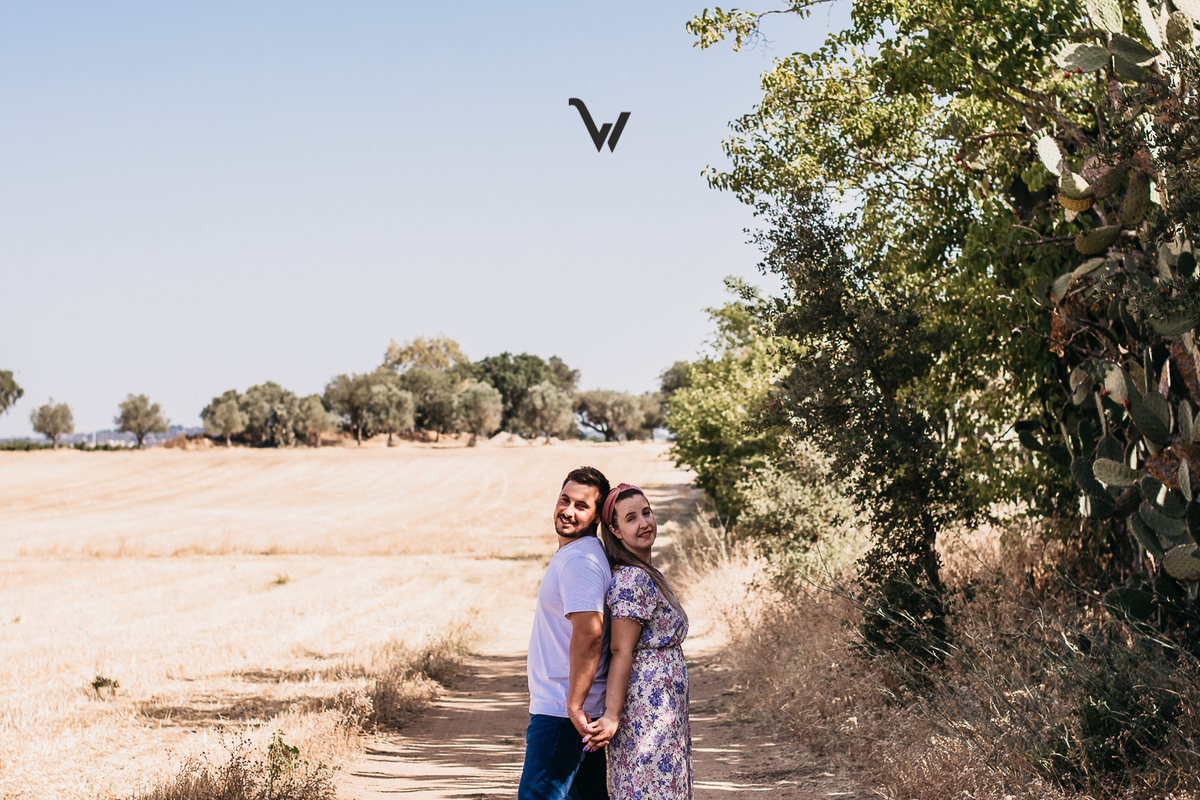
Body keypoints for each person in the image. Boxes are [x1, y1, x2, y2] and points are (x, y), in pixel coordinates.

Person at [583, 484, 692, 799]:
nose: (644, 523)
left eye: (647, 512)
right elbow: (621, 650)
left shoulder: (647, 572)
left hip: (663, 708)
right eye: (631, 518)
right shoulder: (633, 579)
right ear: (615, 530)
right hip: (647, 709)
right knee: (649, 787)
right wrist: (612, 714)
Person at [518, 466, 613, 800]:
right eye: (565, 500)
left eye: (581, 506)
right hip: (571, 711)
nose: (568, 511)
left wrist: (573, 705)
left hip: (562, 712)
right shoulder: (578, 555)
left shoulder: (580, 562)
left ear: (598, 516)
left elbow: (590, 634)